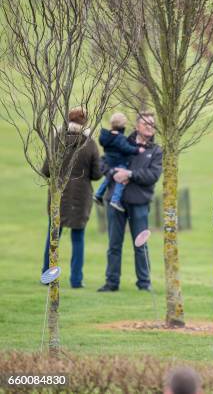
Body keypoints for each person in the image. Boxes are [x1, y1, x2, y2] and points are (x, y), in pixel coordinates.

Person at [97, 111, 162, 292]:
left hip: (139, 203)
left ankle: (144, 283)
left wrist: (130, 174)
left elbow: (153, 175)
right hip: (115, 202)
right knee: (114, 245)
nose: (149, 127)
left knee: (141, 245)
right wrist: (113, 174)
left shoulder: (155, 150)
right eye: (145, 123)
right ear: (137, 126)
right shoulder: (123, 142)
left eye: (152, 124)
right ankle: (111, 283)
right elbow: (103, 162)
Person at [41, 107, 102, 288]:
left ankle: (47, 275)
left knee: (53, 237)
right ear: (85, 122)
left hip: (58, 195)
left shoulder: (57, 141)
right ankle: (76, 280)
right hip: (81, 197)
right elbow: (97, 174)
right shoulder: (89, 144)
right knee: (78, 238)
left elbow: (46, 170)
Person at [94, 112, 144, 212]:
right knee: (121, 177)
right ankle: (115, 200)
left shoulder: (106, 136)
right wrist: (137, 150)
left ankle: (98, 194)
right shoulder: (119, 138)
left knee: (108, 177)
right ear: (122, 125)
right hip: (119, 162)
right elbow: (126, 148)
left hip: (109, 161)